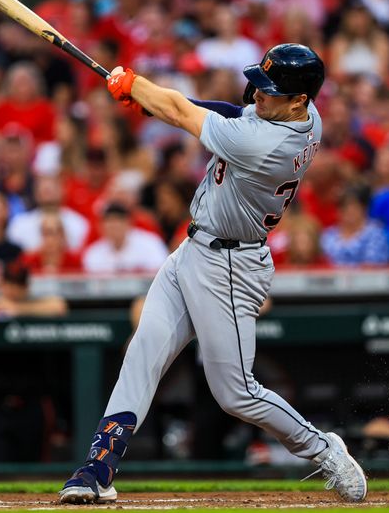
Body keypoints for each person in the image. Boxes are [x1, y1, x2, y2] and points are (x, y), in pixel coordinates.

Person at [59, 44, 367, 504]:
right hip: (195, 248)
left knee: (236, 393)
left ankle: (324, 448)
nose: (259, 96)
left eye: (271, 91)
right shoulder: (295, 114)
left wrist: (137, 86)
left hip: (230, 264)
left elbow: (184, 113)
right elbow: (229, 111)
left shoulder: (269, 144)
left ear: (299, 99)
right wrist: (149, 98)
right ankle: (98, 468)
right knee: (143, 352)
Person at [81, 203, 168, 274]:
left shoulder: (151, 243)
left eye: (117, 221)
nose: (114, 227)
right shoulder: (94, 252)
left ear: (128, 223)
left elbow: (161, 275)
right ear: (101, 227)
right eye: (109, 222)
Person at [320, 186, 389, 266]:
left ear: (364, 208)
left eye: (354, 206)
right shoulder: (328, 235)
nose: (350, 211)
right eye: (344, 207)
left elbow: (374, 265)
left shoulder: (375, 233)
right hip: (332, 277)